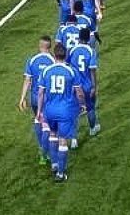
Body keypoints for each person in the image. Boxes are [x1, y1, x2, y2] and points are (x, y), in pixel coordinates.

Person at [36, 43, 86, 183]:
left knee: (52, 135)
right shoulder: (71, 71)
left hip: (49, 110)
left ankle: (54, 164)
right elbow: (79, 92)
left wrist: (39, 111)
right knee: (63, 140)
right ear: (66, 55)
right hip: (65, 110)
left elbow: (40, 93)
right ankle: (60, 173)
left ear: (54, 54)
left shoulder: (46, 70)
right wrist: (82, 105)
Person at [19, 36, 56, 167]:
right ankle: (44, 154)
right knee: (48, 127)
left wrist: (22, 98)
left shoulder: (32, 60)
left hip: (34, 98)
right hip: (47, 99)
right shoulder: (53, 60)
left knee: (37, 119)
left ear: (39, 46)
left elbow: (27, 80)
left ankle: (41, 146)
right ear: (49, 47)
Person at [67, 28, 101, 143]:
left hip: (74, 87)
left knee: (74, 112)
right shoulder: (91, 51)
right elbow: (92, 71)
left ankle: (73, 140)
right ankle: (92, 129)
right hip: (86, 86)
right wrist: (94, 86)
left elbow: (67, 67)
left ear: (79, 37)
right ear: (88, 38)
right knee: (90, 108)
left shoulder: (72, 50)